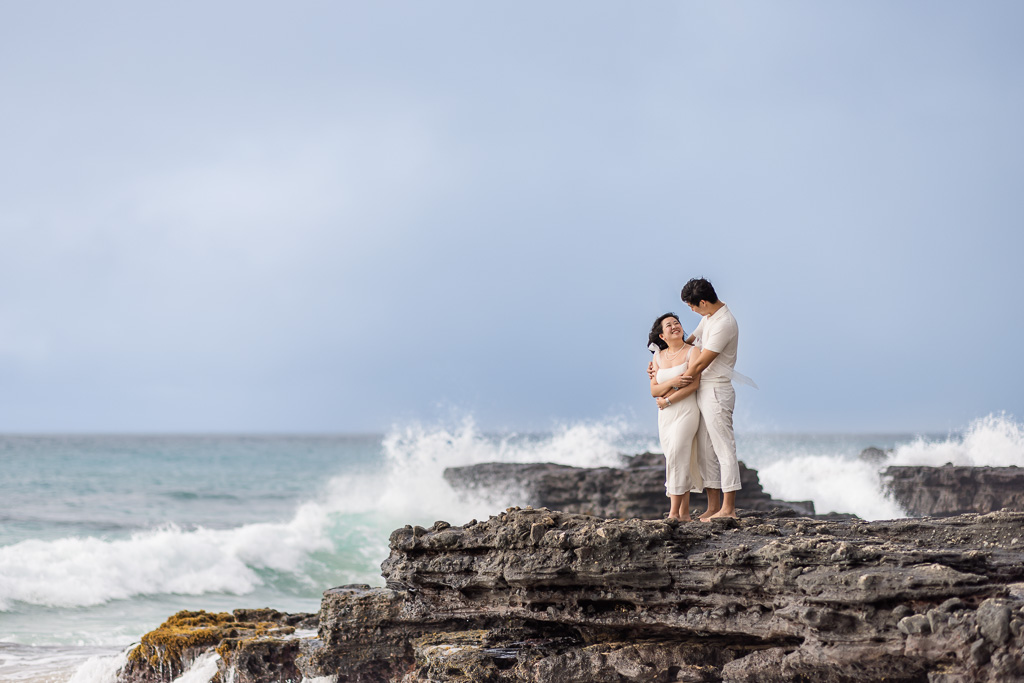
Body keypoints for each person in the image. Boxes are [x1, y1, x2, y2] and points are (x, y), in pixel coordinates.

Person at [677, 278, 741, 520]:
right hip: (702, 389)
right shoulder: (709, 317)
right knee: (705, 450)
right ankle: (714, 507)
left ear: (702, 302)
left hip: (717, 389)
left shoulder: (724, 322)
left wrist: (675, 383)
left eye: (692, 306)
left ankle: (729, 508)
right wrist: (663, 360)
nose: (692, 311)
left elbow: (703, 360)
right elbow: (689, 343)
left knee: (724, 447)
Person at [647, 312, 704, 521]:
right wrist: (673, 382)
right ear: (662, 336)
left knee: (677, 454)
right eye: (669, 325)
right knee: (678, 458)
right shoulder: (657, 357)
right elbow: (654, 391)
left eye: (677, 323)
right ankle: (685, 514)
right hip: (665, 415)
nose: (674, 326)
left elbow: (694, 384)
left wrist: (668, 399)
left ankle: (673, 513)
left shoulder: (692, 351)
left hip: (686, 411)